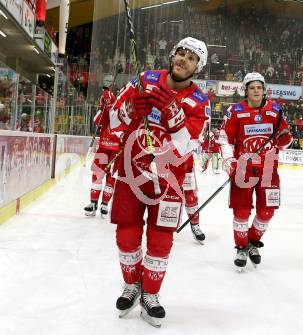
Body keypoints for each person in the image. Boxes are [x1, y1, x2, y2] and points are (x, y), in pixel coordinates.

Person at [108, 37, 210, 327]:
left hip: (169, 183)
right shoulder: (145, 79)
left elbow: (188, 146)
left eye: (191, 58)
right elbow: (113, 119)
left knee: (161, 240)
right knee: (126, 237)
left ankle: (150, 294)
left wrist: (174, 116)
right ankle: (132, 286)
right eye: (181, 53)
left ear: (197, 67)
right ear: (172, 54)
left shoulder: (201, 101)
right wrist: (130, 109)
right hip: (131, 173)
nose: (183, 59)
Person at [218, 72, 292, 271]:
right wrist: (228, 161)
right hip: (243, 169)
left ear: (264, 90)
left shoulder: (276, 110)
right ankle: (241, 248)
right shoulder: (235, 111)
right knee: (241, 212)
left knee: (267, 212)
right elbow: (225, 139)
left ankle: (252, 242)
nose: (256, 90)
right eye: (252, 87)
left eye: (259, 87)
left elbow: (285, 137)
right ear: (246, 91)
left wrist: (286, 140)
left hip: (269, 168)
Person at [84, 75, 119, 217]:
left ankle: (105, 204)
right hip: (104, 147)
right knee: (97, 175)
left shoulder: (121, 108)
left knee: (111, 177)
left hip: (117, 150)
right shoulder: (106, 105)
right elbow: (97, 120)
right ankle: (93, 203)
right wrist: (103, 107)